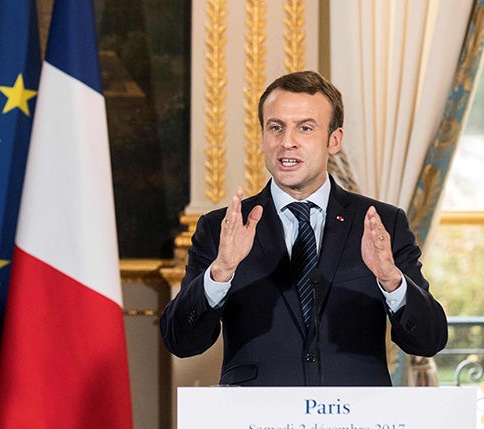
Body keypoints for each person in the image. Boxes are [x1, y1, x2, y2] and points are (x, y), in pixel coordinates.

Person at [160, 70, 447, 386]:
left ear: (334, 140)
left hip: (355, 414)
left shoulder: (382, 222)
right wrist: (220, 272)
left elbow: (429, 340)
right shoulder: (222, 227)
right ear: (262, 137)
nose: (287, 142)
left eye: (305, 128)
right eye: (276, 128)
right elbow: (181, 341)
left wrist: (391, 280)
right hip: (257, 414)